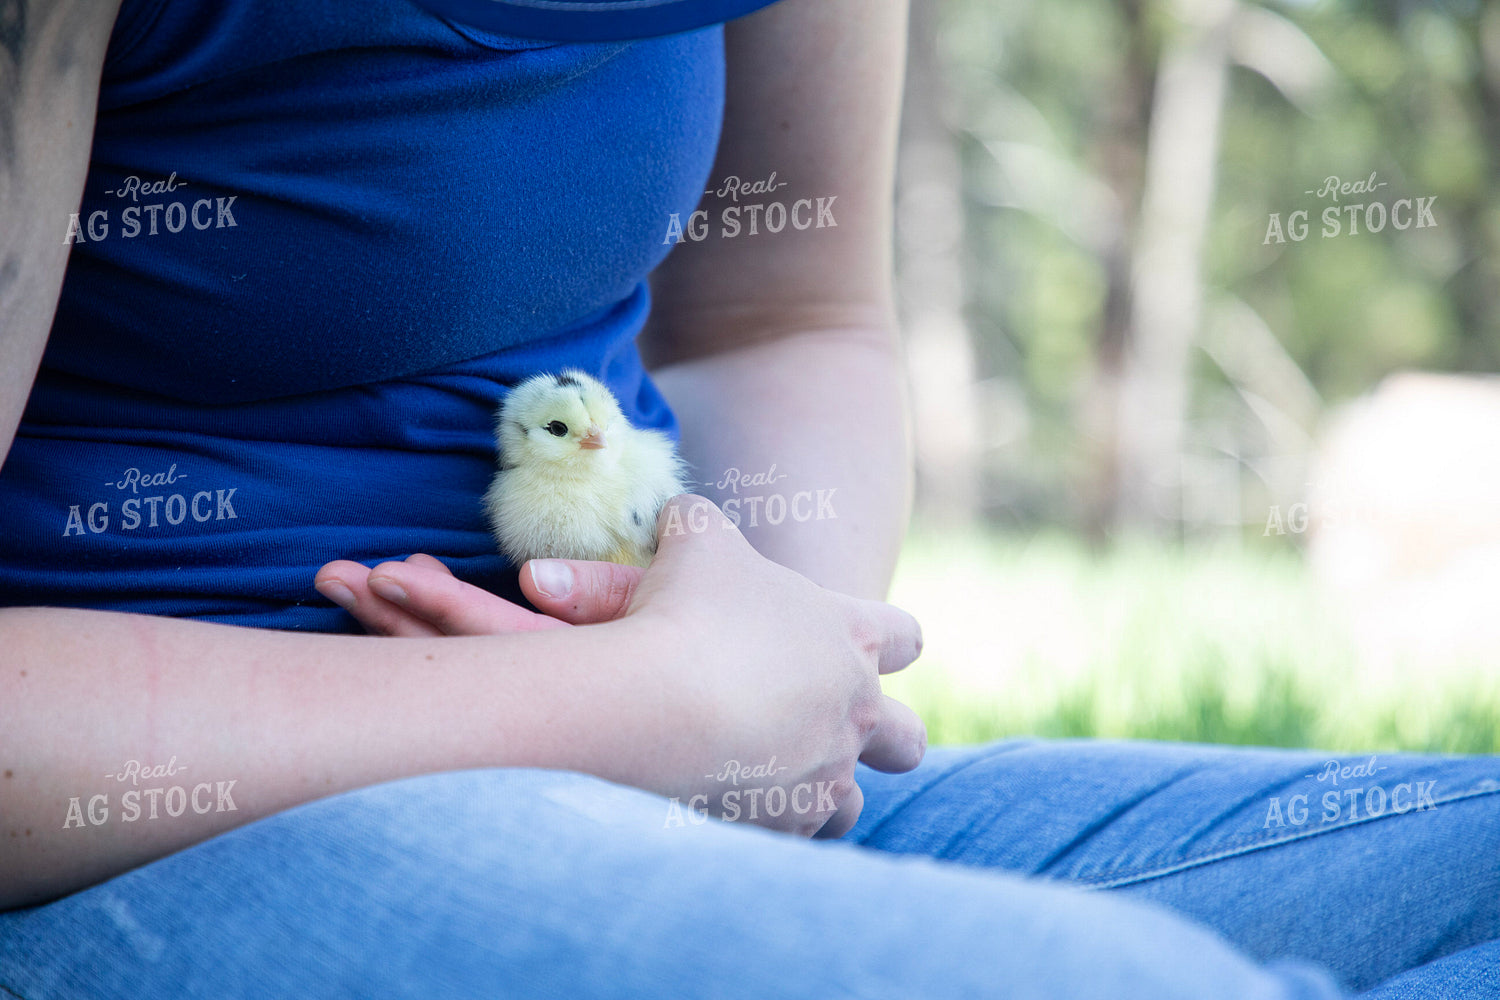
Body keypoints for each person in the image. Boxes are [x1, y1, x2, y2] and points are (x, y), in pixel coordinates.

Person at [0, 0, 1495, 995]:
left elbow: (785, 315)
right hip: (135, 844)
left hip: (688, 786)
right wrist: (611, 714)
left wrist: (765, 701)